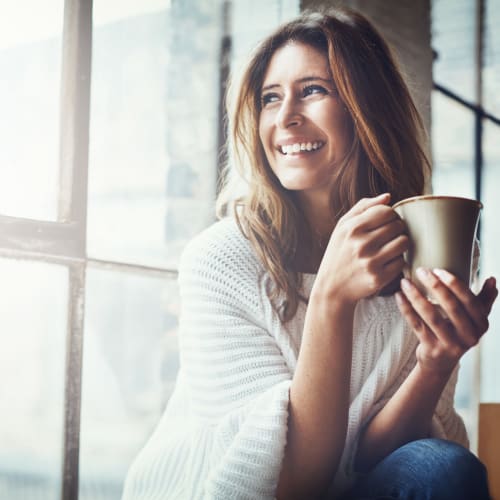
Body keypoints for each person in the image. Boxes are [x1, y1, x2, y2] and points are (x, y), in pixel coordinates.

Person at [122, 8, 498, 500]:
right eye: (270, 98)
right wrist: (330, 299)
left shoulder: (417, 255)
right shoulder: (220, 261)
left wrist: (435, 361)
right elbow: (290, 484)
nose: (285, 117)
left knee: (442, 467)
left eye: (314, 90)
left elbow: (368, 461)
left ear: (369, 109)